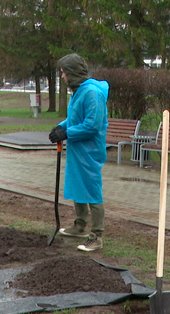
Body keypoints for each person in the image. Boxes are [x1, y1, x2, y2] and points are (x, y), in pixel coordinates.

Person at [49, 53, 109, 252]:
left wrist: (67, 133)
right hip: (77, 148)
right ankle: (80, 225)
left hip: (90, 150)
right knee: (78, 185)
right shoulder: (78, 92)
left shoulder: (92, 93)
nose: (63, 77)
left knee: (92, 190)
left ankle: (97, 235)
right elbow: (74, 119)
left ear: (73, 72)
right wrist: (60, 127)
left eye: (64, 73)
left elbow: (92, 125)